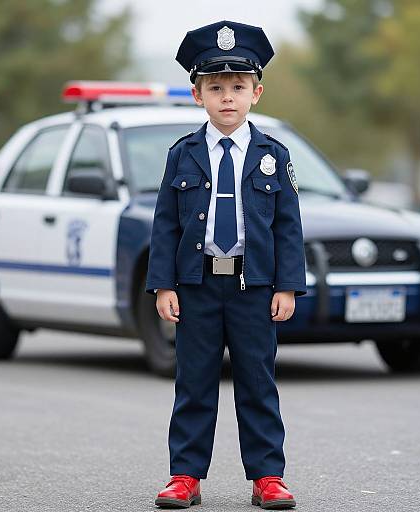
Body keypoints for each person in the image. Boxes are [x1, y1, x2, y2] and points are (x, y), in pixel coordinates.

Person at [145, 20, 307, 510]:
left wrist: (287, 287)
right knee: (194, 383)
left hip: (253, 287)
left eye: (238, 87)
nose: (227, 98)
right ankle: (185, 477)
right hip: (196, 286)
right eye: (215, 88)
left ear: (257, 93)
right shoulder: (183, 155)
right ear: (198, 96)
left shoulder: (272, 157)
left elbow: (287, 228)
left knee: (257, 383)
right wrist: (163, 285)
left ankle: (268, 478)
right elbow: (165, 225)